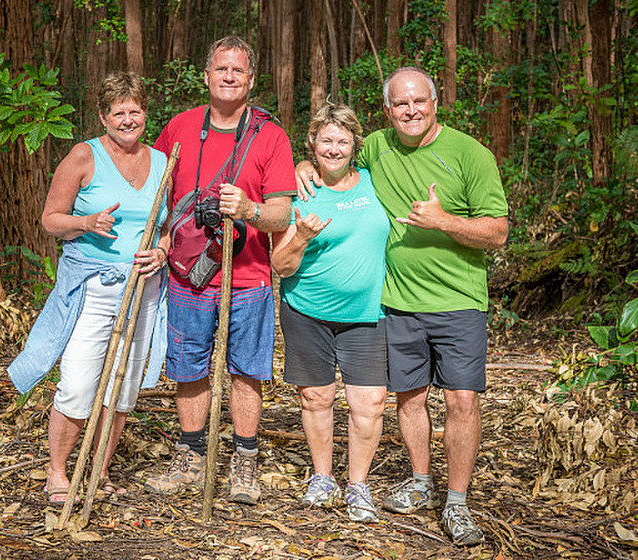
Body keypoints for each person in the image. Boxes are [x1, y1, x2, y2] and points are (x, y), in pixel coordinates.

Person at [297, 67, 508, 544]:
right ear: (388, 110)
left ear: (435, 102)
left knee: (462, 398)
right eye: (400, 105)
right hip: (397, 299)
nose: (410, 111)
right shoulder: (377, 145)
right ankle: (421, 480)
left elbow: (497, 232)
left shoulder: (471, 155)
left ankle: (457, 502)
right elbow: (335, 157)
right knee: (410, 397)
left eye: (419, 101)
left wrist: (444, 220)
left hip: (458, 301)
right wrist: (304, 167)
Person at [144, 36, 296, 504]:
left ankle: (244, 464)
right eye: (221, 69)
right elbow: (157, 195)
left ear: (251, 80)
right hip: (188, 273)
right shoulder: (180, 128)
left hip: (247, 277)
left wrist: (249, 208)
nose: (229, 77)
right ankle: (190, 457)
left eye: (239, 71)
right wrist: (162, 240)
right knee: (189, 367)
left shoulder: (270, 135)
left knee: (246, 372)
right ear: (207, 76)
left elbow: (281, 214)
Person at [8, 72, 170, 504]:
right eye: (119, 112)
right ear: (103, 116)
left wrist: (163, 250)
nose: (128, 119)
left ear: (145, 114)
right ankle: (58, 471)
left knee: (123, 385)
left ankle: (98, 470)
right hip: (95, 288)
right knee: (80, 382)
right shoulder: (84, 155)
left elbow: (170, 226)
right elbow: (50, 219)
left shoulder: (162, 161)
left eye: (135, 111)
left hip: (145, 291)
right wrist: (86, 223)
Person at [271, 104, 388, 522]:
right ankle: (322, 477)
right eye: (326, 141)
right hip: (307, 311)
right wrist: (300, 237)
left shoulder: (377, 183)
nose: (334, 148)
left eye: (342, 141)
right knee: (316, 397)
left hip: (366, 312)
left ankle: (358, 485)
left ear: (355, 144)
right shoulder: (299, 189)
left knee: (370, 402)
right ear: (313, 144)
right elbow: (281, 266)